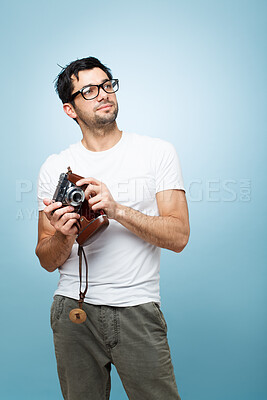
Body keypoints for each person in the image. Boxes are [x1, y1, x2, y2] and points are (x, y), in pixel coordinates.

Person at [35, 56, 190, 400]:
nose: (103, 94)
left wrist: (116, 209)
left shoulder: (157, 153)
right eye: (88, 90)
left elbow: (179, 236)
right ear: (69, 109)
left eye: (107, 85)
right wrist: (64, 234)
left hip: (137, 307)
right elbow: (46, 258)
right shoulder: (55, 167)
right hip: (72, 310)